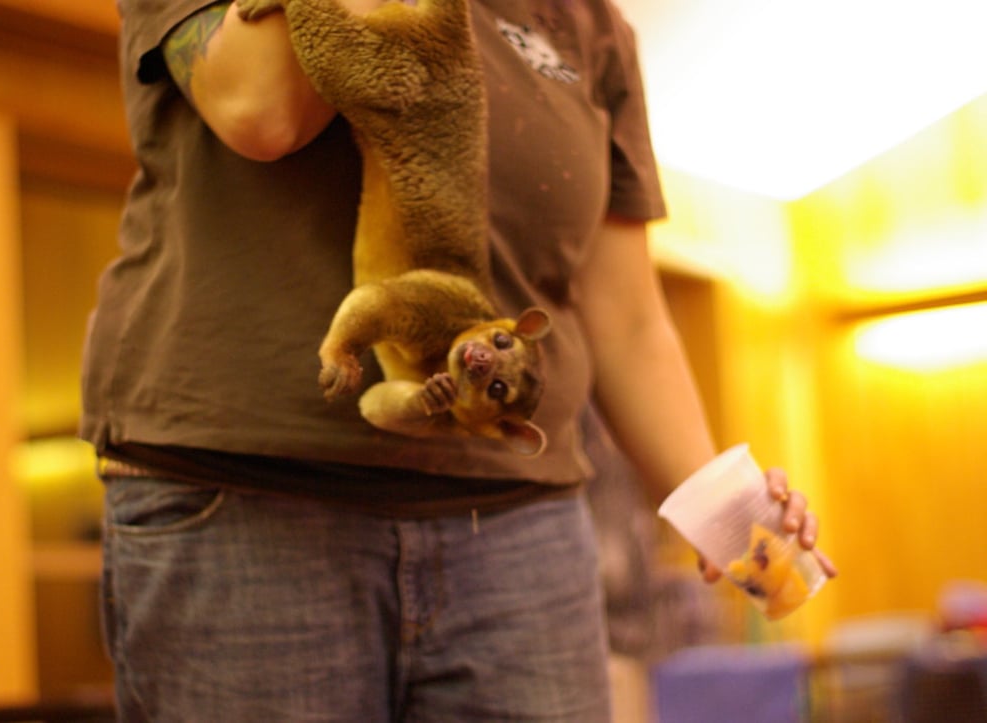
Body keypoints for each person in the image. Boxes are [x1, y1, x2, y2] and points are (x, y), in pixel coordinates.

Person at [83, 0, 834, 720]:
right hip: (248, 498)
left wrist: (725, 510)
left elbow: (628, 317)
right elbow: (265, 111)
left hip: (518, 525)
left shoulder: (591, 22)